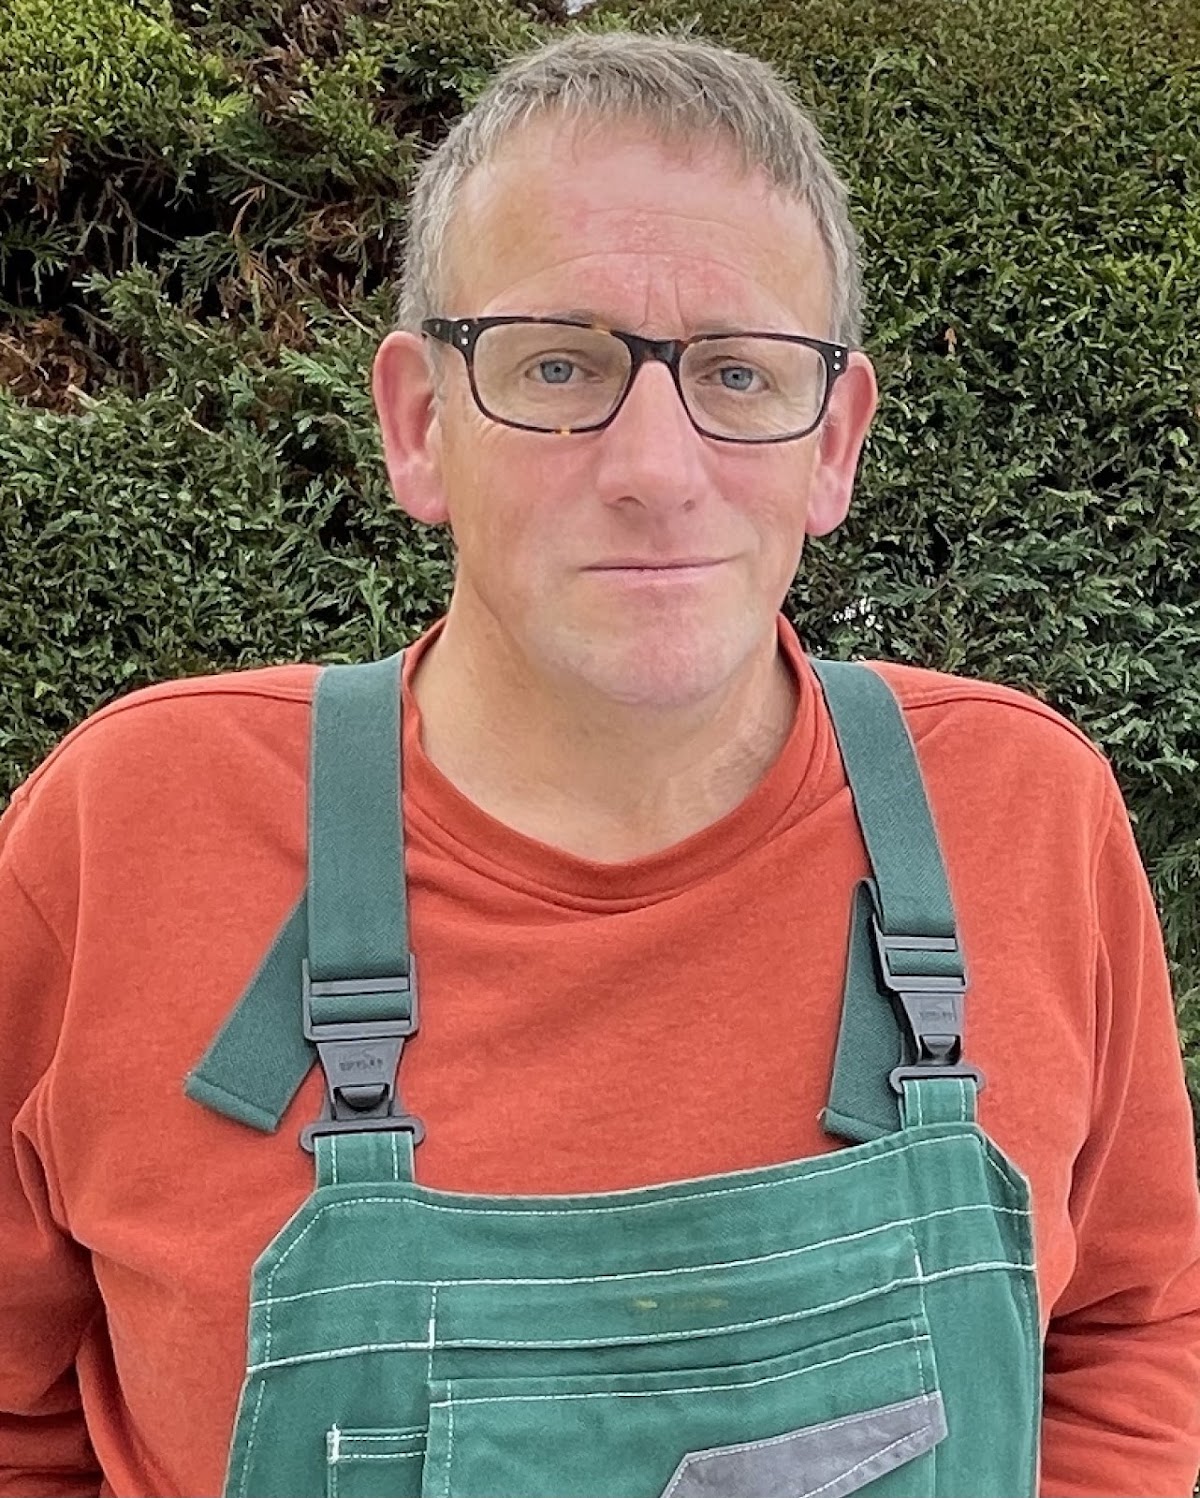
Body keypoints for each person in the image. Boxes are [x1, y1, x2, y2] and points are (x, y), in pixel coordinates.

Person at [2, 28, 1198, 1498]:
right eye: (559, 365)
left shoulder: (1023, 813)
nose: (654, 468)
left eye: (740, 374)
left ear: (834, 443)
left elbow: (1134, 1334)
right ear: (419, 424)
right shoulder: (126, 838)